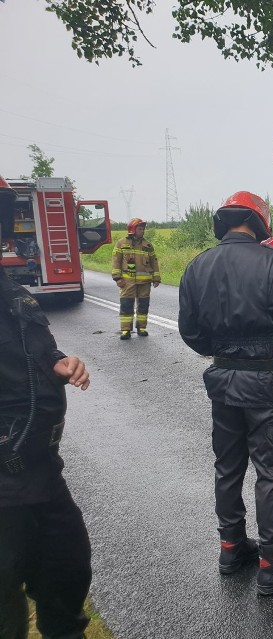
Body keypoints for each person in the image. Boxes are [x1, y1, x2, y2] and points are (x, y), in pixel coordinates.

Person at [178, 191, 273, 596]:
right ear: (260, 223)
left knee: (227, 465)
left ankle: (231, 547)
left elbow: (191, 333)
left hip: (222, 381)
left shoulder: (196, 266)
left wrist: (222, 349)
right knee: (271, 470)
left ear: (224, 222)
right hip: (267, 383)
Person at [0, 174, 93, 639]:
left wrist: (60, 362)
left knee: (67, 573)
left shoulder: (11, 291)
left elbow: (37, 350)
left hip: (40, 475)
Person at [111, 217, 160, 340]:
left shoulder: (148, 245)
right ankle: (126, 330)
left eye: (143, 229)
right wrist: (117, 278)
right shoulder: (121, 243)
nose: (142, 231)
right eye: (139, 228)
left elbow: (154, 262)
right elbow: (116, 261)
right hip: (127, 282)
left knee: (143, 305)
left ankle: (141, 328)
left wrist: (156, 278)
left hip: (145, 282)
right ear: (132, 229)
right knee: (126, 305)